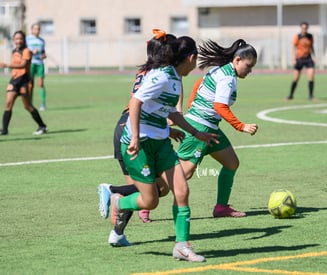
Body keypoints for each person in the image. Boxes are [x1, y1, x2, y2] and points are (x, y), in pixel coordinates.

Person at [109, 35, 218, 262]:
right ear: (190, 58)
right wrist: (136, 137)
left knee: (182, 191)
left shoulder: (176, 77)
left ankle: (181, 246)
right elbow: (135, 102)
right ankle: (119, 202)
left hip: (161, 142)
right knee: (150, 201)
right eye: (195, 61)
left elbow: (171, 112)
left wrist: (196, 133)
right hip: (141, 143)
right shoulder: (161, 76)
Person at [98, 30, 184, 223]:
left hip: (135, 124)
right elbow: (140, 104)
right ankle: (112, 193)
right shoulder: (162, 74)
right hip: (134, 126)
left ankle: (117, 229)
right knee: (146, 190)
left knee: (158, 189)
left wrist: (168, 128)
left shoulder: (150, 70)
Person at [176, 39, 258, 218]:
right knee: (182, 175)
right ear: (237, 60)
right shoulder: (227, 76)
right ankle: (139, 197)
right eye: (248, 66)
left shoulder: (221, 70)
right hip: (200, 128)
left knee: (231, 163)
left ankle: (221, 207)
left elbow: (199, 83)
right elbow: (221, 106)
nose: (250, 70)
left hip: (209, 127)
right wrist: (241, 126)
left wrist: (192, 106)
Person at [0, 30, 47, 136]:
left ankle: (42, 126)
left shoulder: (26, 51)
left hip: (24, 81)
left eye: (20, 39)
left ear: (24, 40)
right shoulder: (14, 51)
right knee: (8, 103)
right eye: (16, 39)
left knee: (27, 106)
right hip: (14, 81)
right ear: (13, 40)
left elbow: (23, 65)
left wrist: (7, 65)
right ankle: (4, 129)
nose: (18, 41)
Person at [286, 21, 316, 101]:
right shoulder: (297, 37)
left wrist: (314, 56)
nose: (304, 29)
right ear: (301, 28)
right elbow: (294, 48)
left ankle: (311, 96)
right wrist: (294, 58)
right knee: (296, 78)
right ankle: (291, 95)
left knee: (311, 76)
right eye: (303, 28)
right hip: (299, 59)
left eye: (306, 28)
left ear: (307, 28)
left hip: (308, 58)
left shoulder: (310, 37)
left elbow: (311, 47)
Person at [26, 23, 47, 111]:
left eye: (38, 29)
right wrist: (31, 52)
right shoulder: (27, 39)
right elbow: (24, 51)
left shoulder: (42, 41)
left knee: (41, 84)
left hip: (40, 63)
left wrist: (44, 55)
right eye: (35, 29)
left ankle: (43, 104)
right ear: (32, 30)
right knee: (30, 84)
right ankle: (29, 103)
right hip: (31, 63)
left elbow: (44, 52)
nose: (37, 30)